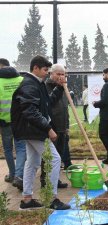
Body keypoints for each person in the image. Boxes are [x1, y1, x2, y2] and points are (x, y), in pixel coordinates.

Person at [11, 55, 70, 210]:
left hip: (30, 130)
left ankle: (27, 199)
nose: (46, 73)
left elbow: (47, 103)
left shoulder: (37, 84)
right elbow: (30, 111)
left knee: (32, 162)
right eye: (45, 70)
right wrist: (48, 128)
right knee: (55, 159)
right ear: (35, 68)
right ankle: (52, 198)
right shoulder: (30, 85)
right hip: (33, 130)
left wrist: (58, 88)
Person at [40, 64, 71, 189]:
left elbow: (65, 109)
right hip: (52, 128)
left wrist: (67, 126)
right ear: (51, 74)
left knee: (59, 156)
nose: (61, 76)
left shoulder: (63, 88)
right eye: (58, 74)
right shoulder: (45, 87)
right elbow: (48, 105)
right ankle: (46, 181)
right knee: (49, 157)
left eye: (63, 74)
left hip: (62, 127)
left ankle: (55, 179)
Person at [0, 58, 26, 190]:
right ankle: (19, 176)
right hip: (21, 121)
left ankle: (12, 174)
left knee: (8, 149)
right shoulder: (21, 80)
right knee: (21, 148)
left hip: (4, 123)